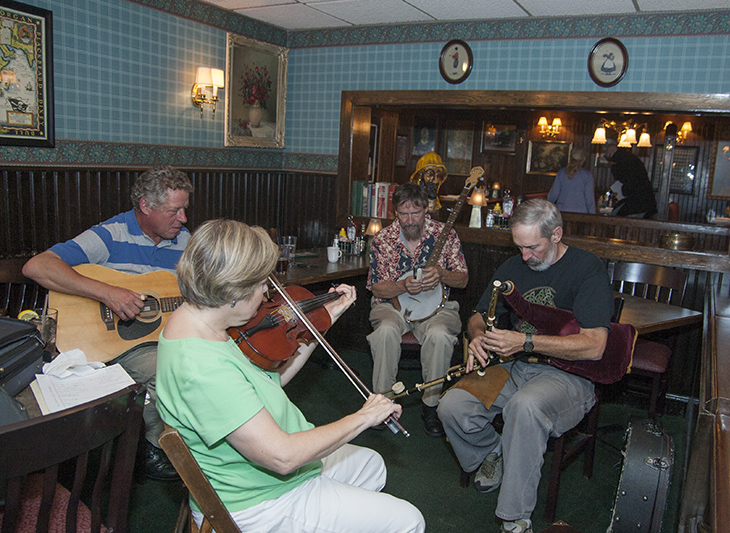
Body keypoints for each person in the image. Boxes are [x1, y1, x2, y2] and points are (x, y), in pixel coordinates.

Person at [156, 219, 424, 533]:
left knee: (371, 465)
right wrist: (364, 417)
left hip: (265, 473)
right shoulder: (202, 367)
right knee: (408, 522)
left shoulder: (200, 323)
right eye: (258, 285)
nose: (266, 291)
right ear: (231, 290)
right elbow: (282, 457)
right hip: (261, 501)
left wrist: (320, 323)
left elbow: (270, 382)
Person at [437, 199, 614, 533]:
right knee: (452, 406)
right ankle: (495, 452)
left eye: (532, 247)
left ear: (557, 234)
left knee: (525, 407)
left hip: (569, 374)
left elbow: (595, 346)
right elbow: (477, 316)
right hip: (516, 367)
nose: (525, 257)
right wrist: (476, 335)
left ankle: (514, 517)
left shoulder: (587, 268)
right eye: (518, 247)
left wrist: (526, 342)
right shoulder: (512, 268)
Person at [22, 165, 194, 482]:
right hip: (113, 342)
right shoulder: (110, 235)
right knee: (167, 369)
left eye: (184, 208)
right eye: (174, 210)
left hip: (163, 334)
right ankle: (156, 447)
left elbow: (204, 289)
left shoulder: (185, 243)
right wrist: (108, 293)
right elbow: (38, 266)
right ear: (145, 205)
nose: (183, 218)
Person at [367, 182, 468, 437]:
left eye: (416, 213)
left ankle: (431, 406)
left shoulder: (445, 234)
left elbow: (463, 279)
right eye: (403, 214)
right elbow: (377, 288)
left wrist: (443, 274)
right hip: (391, 305)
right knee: (385, 331)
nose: (410, 220)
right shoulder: (382, 240)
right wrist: (402, 286)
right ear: (395, 213)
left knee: (440, 336)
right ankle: (382, 404)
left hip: (438, 309)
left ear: (426, 210)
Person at [604, 137, 658, 218]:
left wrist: (623, 191)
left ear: (613, 152)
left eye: (609, 157)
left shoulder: (620, 163)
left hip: (637, 204)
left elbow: (630, 183)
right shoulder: (631, 159)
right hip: (646, 203)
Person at [547, 147, 597, 214]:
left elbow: (553, 195)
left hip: (562, 212)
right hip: (581, 214)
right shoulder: (587, 175)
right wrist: (592, 215)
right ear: (583, 160)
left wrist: (547, 208)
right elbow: (589, 199)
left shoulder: (561, 173)